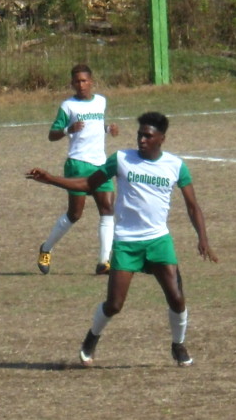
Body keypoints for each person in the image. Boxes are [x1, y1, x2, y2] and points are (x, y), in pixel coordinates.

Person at [26, 112, 218, 366]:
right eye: (140, 135)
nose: (142, 140)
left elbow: (193, 206)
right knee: (115, 305)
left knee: (177, 298)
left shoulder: (175, 166)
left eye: (148, 136)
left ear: (162, 138)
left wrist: (202, 238)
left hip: (158, 240)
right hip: (127, 242)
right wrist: (50, 178)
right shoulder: (121, 159)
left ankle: (178, 345)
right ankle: (92, 337)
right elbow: (87, 183)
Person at [37, 64, 119, 276]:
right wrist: (67, 129)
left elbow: (95, 125)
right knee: (75, 214)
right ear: (72, 84)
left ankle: (104, 262)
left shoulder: (101, 101)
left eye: (84, 81)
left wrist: (108, 129)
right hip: (77, 164)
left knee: (108, 210)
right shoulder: (68, 106)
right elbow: (52, 134)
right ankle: (46, 248)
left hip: (100, 164)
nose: (81, 85)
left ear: (91, 82)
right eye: (77, 82)